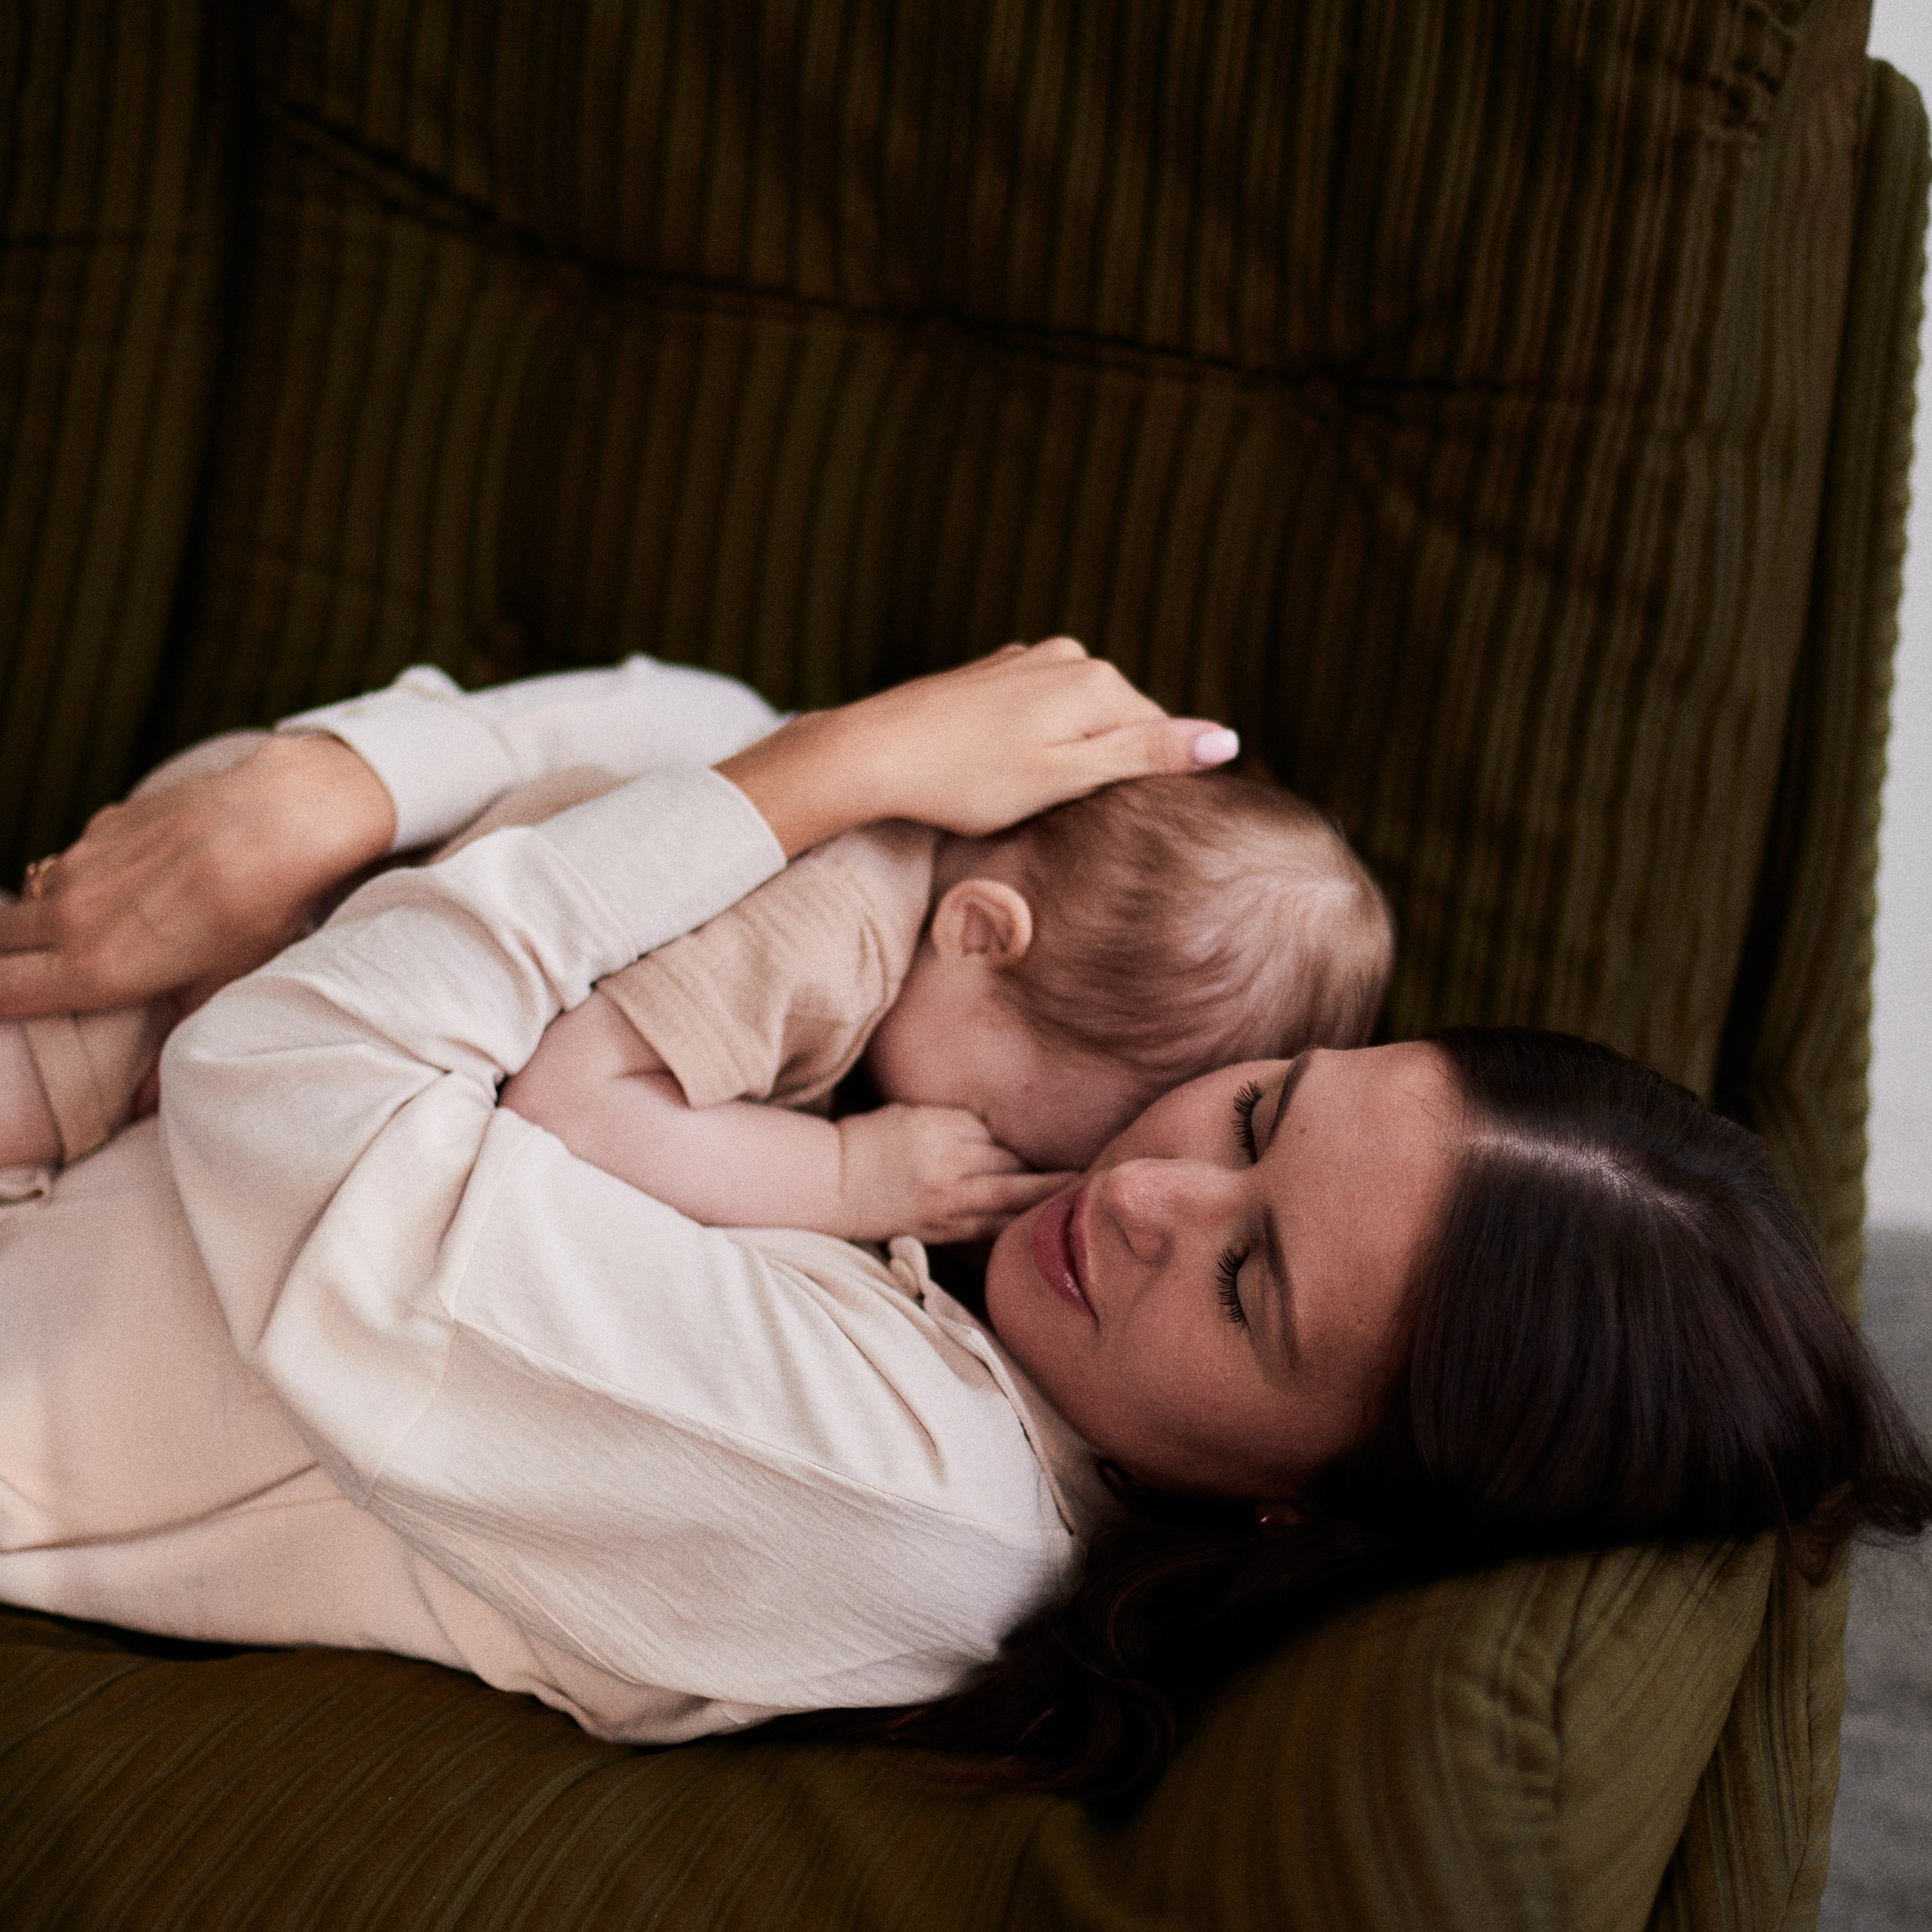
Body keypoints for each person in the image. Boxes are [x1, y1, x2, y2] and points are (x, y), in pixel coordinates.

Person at [1, 643, 1927, 1806]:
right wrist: (337, 787)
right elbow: (703, 719)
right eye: (1258, 1113)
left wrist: (844, 763)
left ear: (1307, 1508)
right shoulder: (979, 1235)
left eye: (1249, 1283)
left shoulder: (904, 1494)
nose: (1149, 1189)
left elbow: (290, 1072)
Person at [0, 717, 1393, 1248]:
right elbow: (567, 1102)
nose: (1008, 1162)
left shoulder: (889, 888)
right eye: (1030, 1129)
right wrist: (849, 1180)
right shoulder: (829, 933)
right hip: (248, 943)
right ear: (980, 934)